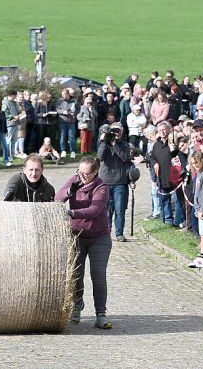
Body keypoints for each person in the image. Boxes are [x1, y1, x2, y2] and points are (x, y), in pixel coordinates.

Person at [57, 156, 113, 330]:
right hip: (77, 236)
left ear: (95, 172)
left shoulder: (101, 187)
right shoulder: (75, 180)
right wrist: (69, 192)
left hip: (99, 238)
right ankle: (77, 306)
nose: (81, 177)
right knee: (76, 275)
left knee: (98, 274)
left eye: (86, 174)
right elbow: (57, 198)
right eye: (79, 172)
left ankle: (101, 314)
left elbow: (94, 210)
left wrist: (71, 213)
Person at [98, 122, 136, 242]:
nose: (116, 134)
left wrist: (114, 145)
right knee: (107, 209)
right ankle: (106, 233)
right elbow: (100, 157)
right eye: (114, 131)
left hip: (120, 182)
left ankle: (119, 233)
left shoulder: (125, 145)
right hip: (106, 181)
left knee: (120, 209)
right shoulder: (103, 143)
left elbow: (125, 158)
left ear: (122, 133)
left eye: (119, 131)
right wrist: (105, 142)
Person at [56, 88, 78, 158]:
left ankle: (73, 152)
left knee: (72, 137)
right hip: (62, 121)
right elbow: (57, 109)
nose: (63, 96)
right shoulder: (59, 101)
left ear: (68, 94)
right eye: (62, 95)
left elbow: (78, 110)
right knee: (63, 136)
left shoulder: (74, 101)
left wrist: (74, 113)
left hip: (71, 121)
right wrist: (63, 111)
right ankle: (63, 151)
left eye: (64, 95)